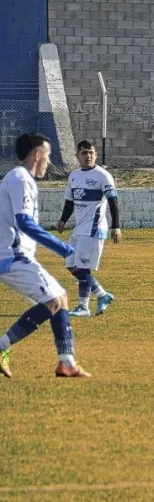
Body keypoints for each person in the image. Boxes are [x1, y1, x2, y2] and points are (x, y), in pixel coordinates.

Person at [0, 133, 90, 379]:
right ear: (38, 155)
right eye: (48, 156)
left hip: (17, 255)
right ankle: (3, 345)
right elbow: (24, 222)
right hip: (13, 256)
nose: (49, 162)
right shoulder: (19, 178)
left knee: (60, 298)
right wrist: (64, 249)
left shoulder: (20, 178)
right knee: (53, 301)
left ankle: (67, 362)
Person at [55, 140, 121, 317]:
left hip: (93, 228)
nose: (88, 156)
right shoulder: (74, 176)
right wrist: (62, 220)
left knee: (82, 267)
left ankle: (83, 306)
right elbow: (70, 201)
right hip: (79, 229)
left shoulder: (103, 175)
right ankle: (102, 295)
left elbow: (113, 201)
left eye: (91, 153)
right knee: (71, 265)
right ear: (77, 156)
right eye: (84, 153)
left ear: (96, 154)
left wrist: (116, 226)